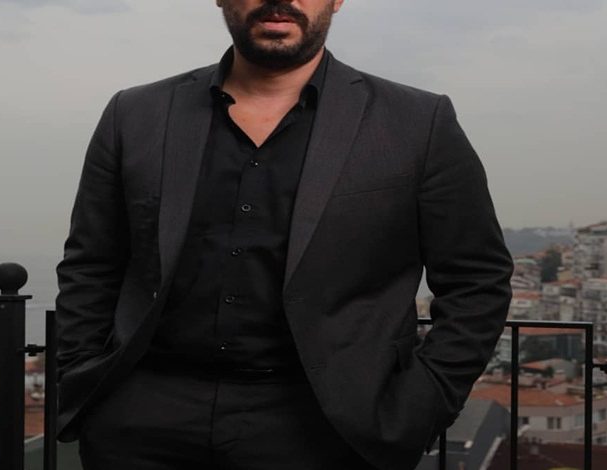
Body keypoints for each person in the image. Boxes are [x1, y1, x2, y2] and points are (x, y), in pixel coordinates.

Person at [55, 1, 514, 469]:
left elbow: (477, 281)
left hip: (330, 432)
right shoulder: (135, 114)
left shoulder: (418, 121)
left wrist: (420, 405)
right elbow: (92, 263)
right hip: (140, 424)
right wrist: (85, 377)